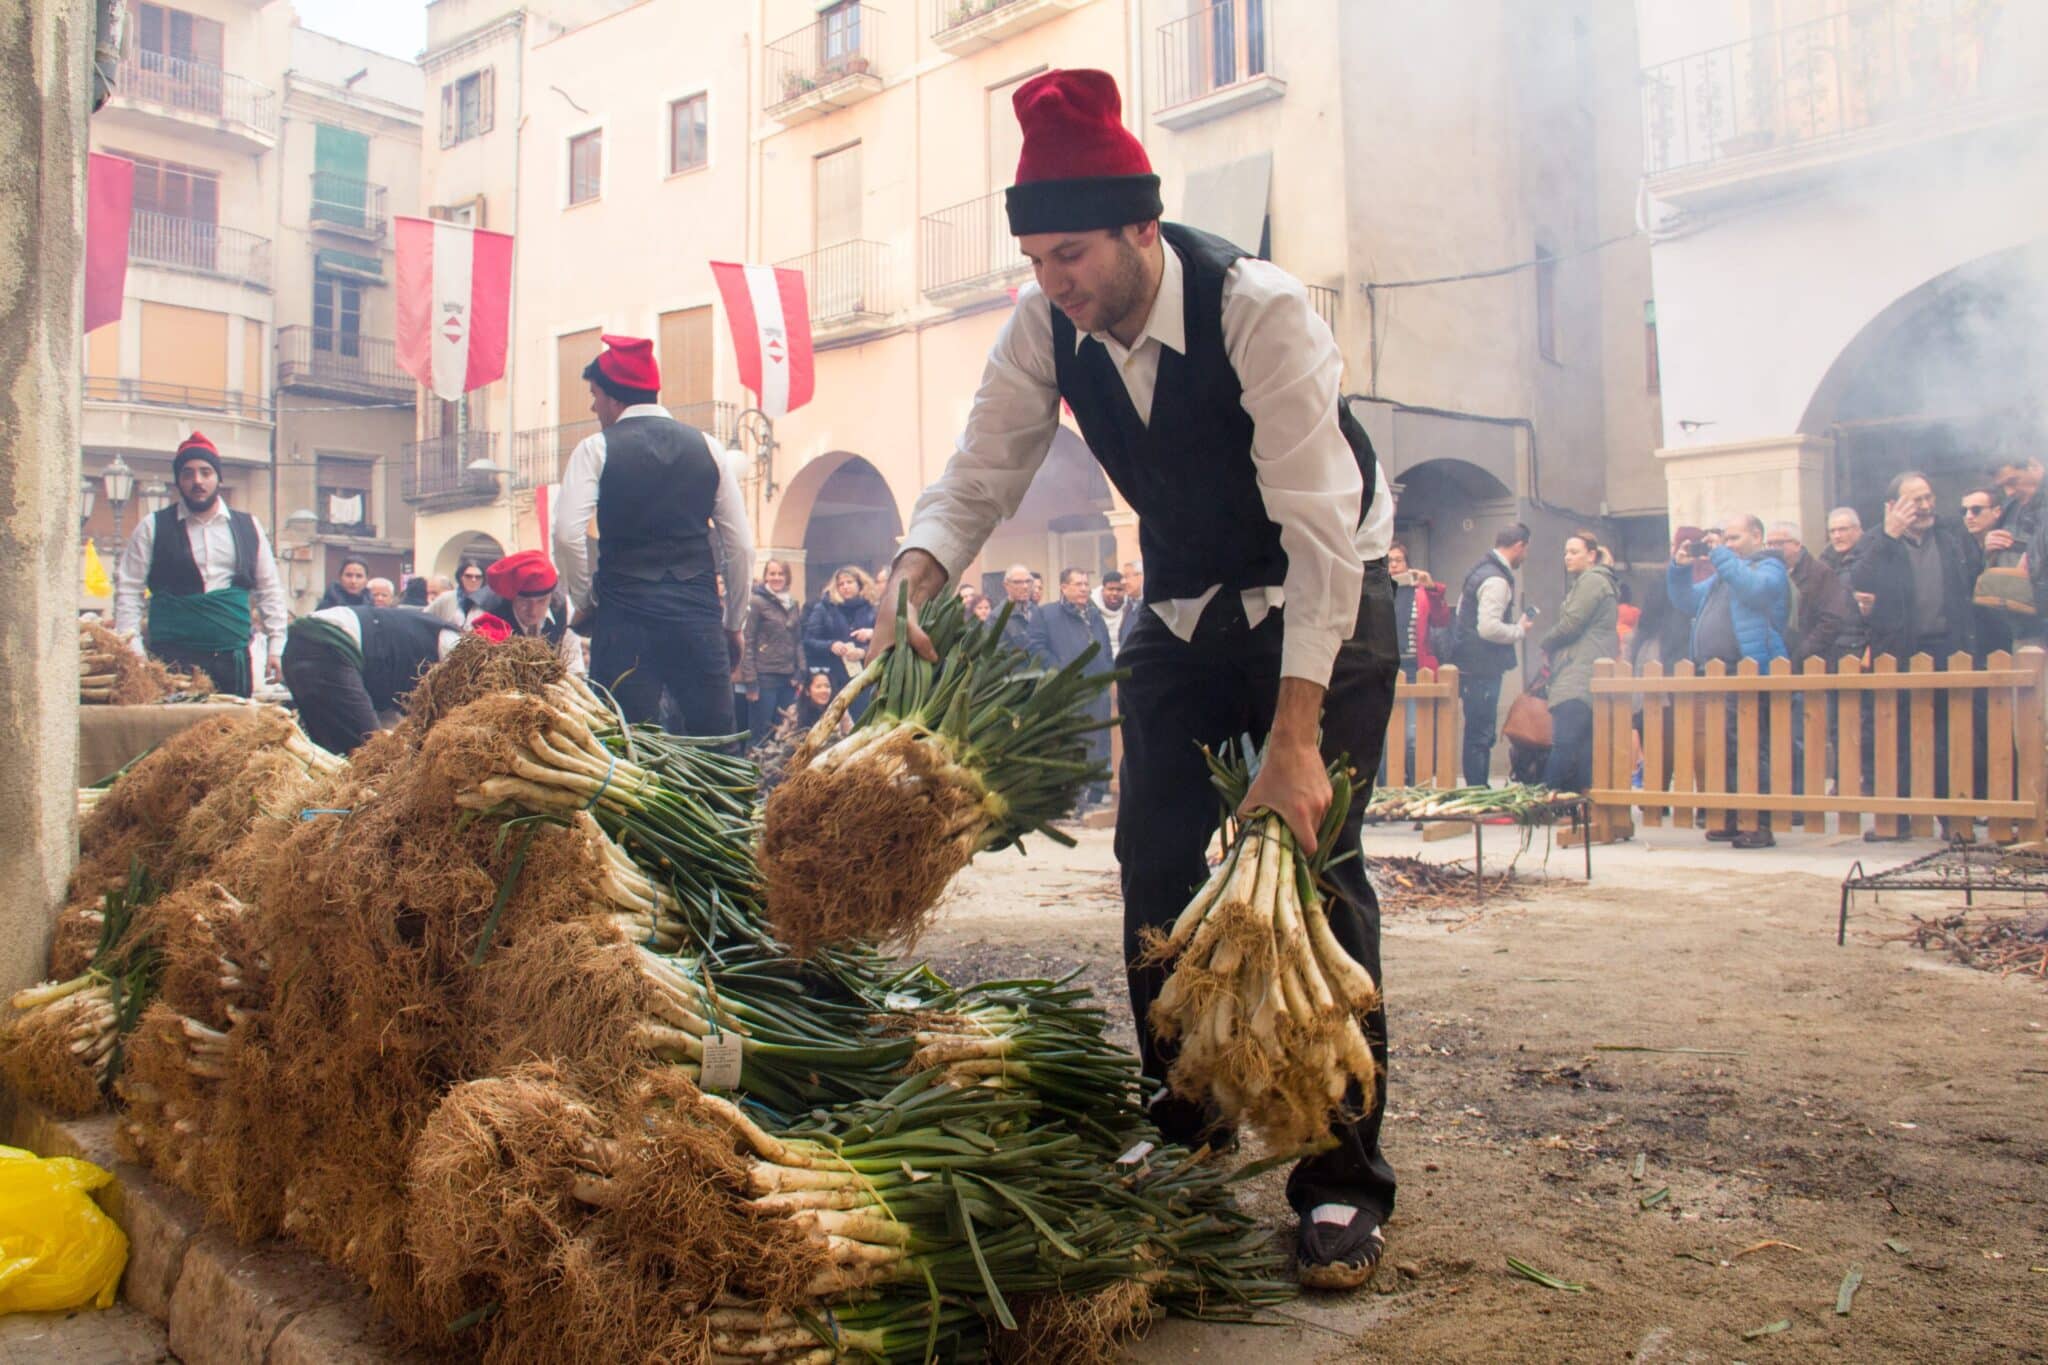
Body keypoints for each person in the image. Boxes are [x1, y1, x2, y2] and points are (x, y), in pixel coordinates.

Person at [866, 69, 1398, 1290]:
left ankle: (1339, 1182)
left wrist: (1294, 739)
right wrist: (918, 562)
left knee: (1317, 873)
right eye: (1037, 259)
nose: (1054, 281)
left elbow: (1321, 534)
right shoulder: (1042, 323)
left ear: (1140, 230)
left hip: (1322, 597)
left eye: (1071, 256)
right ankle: (1189, 1121)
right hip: (1175, 604)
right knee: (1154, 861)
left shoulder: (1256, 308)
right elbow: (984, 461)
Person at [553, 335, 754, 735]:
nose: (593, 407)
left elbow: (566, 535)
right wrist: (734, 621)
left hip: (624, 616)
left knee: (628, 745)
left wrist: (586, 599)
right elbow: (741, 546)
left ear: (613, 398)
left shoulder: (596, 449)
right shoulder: (709, 447)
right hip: (696, 614)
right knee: (715, 744)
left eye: (594, 395)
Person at [112, 431, 288, 697]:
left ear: (218, 477)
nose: (197, 481)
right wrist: (134, 652)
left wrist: (277, 646)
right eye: (188, 473)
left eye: (205, 472)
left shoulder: (249, 526)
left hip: (232, 659)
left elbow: (269, 588)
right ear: (178, 480)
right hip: (171, 659)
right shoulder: (153, 527)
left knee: (232, 734)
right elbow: (128, 590)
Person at [1668, 514, 1789, 848]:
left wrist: (1721, 555)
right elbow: (1687, 601)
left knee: (1752, 748)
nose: (1728, 544)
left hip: (1748, 671)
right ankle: (1736, 818)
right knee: (1726, 749)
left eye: (1734, 538)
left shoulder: (1769, 568)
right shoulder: (1724, 576)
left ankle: (1760, 824)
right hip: (1718, 674)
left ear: (1757, 536)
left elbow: (1755, 592)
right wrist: (1680, 569)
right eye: (1726, 539)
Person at [282, 604, 506, 755]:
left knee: (330, 748)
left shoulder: (441, 644)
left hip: (306, 643)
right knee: (371, 753)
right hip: (329, 644)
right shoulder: (453, 648)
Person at [1852, 472, 1978, 664]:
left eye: (1928, 497)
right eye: (1917, 501)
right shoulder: (1874, 540)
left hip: (1950, 649)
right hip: (1899, 651)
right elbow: (1861, 581)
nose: (1926, 506)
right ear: (1894, 506)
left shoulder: (1950, 537)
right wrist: (1889, 538)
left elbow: (1973, 580)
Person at [1025, 568, 1116, 810]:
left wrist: (1107, 670)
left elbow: (1105, 646)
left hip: (1096, 688)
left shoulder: (1094, 615)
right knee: (1072, 742)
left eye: (1086, 584)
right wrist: (1061, 670)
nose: (1084, 588)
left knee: (1098, 741)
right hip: (1066, 691)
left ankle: (1095, 794)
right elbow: (1036, 648)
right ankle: (1071, 798)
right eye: (1077, 584)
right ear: (1064, 587)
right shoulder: (1047, 614)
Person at [1450, 525, 1534, 786]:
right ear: (1519, 546)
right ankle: (1478, 788)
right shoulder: (1497, 579)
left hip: (1470, 663)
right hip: (1482, 666)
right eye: (1526, 549)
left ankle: (1477, 786)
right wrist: (1518, 630)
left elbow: (1461, 614)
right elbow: (1488, 628)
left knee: (1476, 729)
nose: (1526, 555)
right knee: (1481, 731)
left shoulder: (1479, 570)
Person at [1538, 531, 1619, 796]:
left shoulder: (1592, 581)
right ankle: (1581, 802)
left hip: (1579, 673)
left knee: (1565, 741)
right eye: (1565, 552)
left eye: (1574, 552)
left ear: (1591, 555)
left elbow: (1571, 624)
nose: (1567, 557)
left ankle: (1549, 797)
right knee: (1583, 744)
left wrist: (1545, 642)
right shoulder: (1594, 580)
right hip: (1585, 670)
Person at [466, 551, 585, 676]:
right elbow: (472, 671)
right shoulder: (484, 612)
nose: (532, 611)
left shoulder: (564, 610)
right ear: (512, 597)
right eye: (524, 601)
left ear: (551, 597)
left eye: (541, 601)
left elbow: (574, 668)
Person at [1765, 522, 1853, 664]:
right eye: (1769, 544)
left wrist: (1802, 652)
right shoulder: (1765, 574)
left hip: (1812, 661)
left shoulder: (1820, 573)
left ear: (1797, 544)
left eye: (1779, 543)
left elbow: (1832, 620)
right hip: (1775, 658)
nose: (1773, 549)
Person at [743, 560, 804, 749]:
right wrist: (751, 681)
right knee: (761, 731)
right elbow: (748, 641)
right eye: (772, 573)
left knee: (784, 728)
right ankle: (754, 772)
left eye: (781, 574)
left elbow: (798, 640)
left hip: (788, 677)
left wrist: (801, 670)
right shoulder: (756, 602)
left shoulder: (793, 603)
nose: (776, 578)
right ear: (765, 576)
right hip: (764, 675)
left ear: (787, 577)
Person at [1962, 487, 2017, 657]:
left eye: (1976, 510)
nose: (1969, 516)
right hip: (1974, 638)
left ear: (1997, 511)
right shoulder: (1958, 546)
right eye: (1964, 511)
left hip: (2011, 632)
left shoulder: (2011, 542)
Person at [804, 565, 878, 687]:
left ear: (860, 584)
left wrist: (863, 651)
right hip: (833, 676)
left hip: (865, 676)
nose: (845, 587)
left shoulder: (872, 608)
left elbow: (884, 641)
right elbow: (809, 640)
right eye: (840, 584)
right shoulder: (824, 608)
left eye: (849, 582)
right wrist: (831, 645)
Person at [1387, 542, 1450, 679]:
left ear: (1407, 564)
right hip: (1385, 666)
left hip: (1414, 666)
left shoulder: (1420, 593)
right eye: (1389, 561)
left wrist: (1431, 587)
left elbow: (1441, 621)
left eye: (1399, 560)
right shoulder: (1378, 593)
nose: (1393, 565)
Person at [1092, 570, 1137, 657]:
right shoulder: (1090, 608)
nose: (1115, 593)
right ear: (1103, 590)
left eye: (1119, 589)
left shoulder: (1131, 608)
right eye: (1110, 589)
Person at [995, 562, 1038, 651]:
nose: (1025, 586)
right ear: (1006, 585)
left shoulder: (1038, 611)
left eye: (1028, 581)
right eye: (1018, 582)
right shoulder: (997, 617)